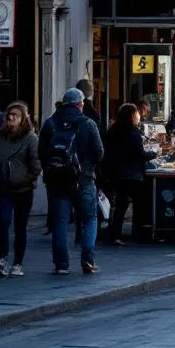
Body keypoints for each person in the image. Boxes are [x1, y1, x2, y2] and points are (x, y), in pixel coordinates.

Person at [40, 87, 105, 275]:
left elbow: (42, 152)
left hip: (57, 180)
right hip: (83, 178)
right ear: (80, 105)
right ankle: (88, 259)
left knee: (60, 222)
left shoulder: (50, 123)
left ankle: (61, 264)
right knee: (89, 219)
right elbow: (99, 152)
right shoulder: (88, 123)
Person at [0, 101, 41, 278]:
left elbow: (36, 165)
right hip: (3, 188)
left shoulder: (30, 139)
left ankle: (18, 263)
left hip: (23, 190)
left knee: (20, 226)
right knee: (3, 223)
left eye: (15, 115)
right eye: (9, 115)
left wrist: (25, 179)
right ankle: (2, 259)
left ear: (23, 119)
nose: (11, 118)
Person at [104, 103, 158, 245]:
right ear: (132, 116)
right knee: (139, 202)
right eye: (137, 114)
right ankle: (138, 232)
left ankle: (115, 233)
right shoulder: (133, 133)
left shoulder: (113, 130)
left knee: (120, 205)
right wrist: (154, 153)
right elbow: (139, 153)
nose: (139, 116)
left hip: (116, 173)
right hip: (131, 174)